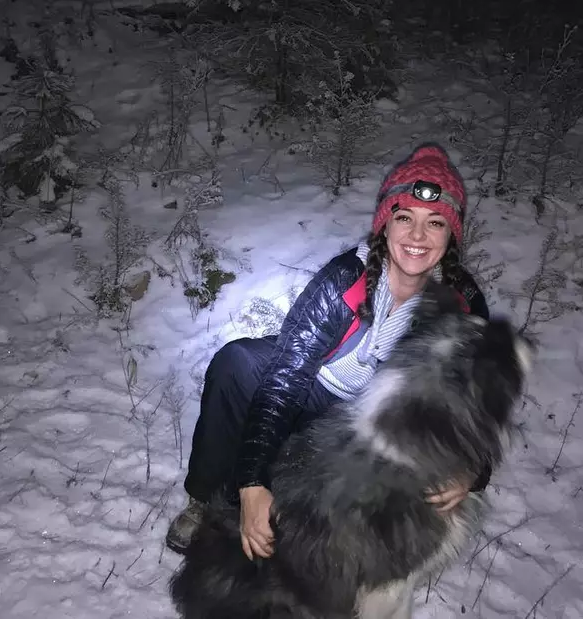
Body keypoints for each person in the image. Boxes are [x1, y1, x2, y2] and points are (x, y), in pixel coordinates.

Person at [165, 143, 491, 559]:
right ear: (385, 225)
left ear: (452, 234)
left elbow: (479, 398)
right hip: (314, 390)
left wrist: (471, 469)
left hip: (375, 425)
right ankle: (207, 499)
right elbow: (286, 379)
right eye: (405, 217)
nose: (417, 236)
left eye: (435, 223)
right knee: (239, 364)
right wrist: (250, 482)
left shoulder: (462, 304)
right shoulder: (345, 279)